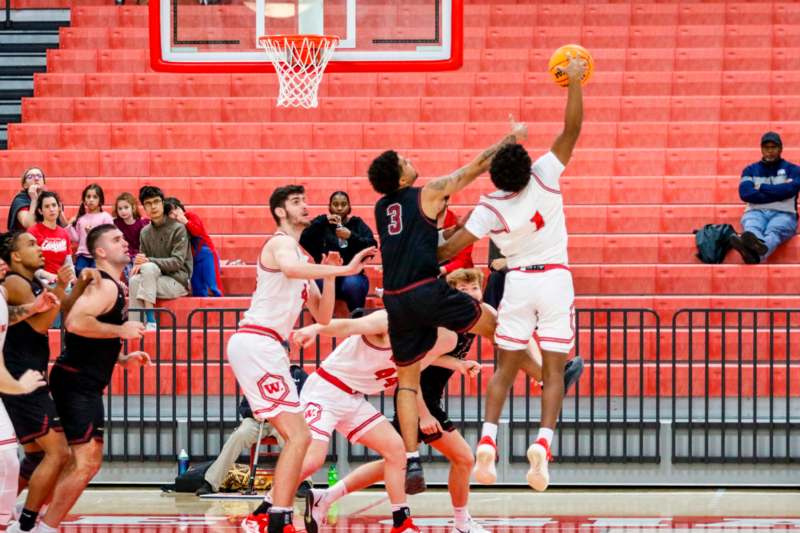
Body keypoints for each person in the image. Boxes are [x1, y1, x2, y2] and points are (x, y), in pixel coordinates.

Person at [300, 270, 583, 533]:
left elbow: (516, 337)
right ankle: (459, 521)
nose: (470, 292)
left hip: (430, 396)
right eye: (462, 288)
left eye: (474, 287)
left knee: (392, 459)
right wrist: (422, 414)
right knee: (462, 458)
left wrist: (539, 370)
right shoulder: (439, 324)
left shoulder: (482, 314)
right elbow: (408, 374)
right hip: (418, 398)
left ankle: (326, 496)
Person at [437, 54, 586, 491]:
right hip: (555, 278)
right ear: (526, 165)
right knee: (554, 371)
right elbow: (571, 131)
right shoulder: (543, 175)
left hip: (517, 281)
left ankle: (488, 438)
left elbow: (449, 248)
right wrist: (573, 83)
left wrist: (429, 225)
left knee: (505, 366)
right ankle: (543, 442)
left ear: (499, 177)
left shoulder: (490, 206)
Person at [368, 116, 527, 493]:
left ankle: (410, 460)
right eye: (404, 159)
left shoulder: (381, 210)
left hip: (395, 298)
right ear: (402, 178)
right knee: (495, 323)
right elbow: (475, 167)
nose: (409, 160)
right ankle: (543, 374)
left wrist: (456, 230)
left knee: (406, 382)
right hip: (424, 288)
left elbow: (422, 242)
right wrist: (511, 138)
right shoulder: (427, 191)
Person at [228, 185, 375, 533]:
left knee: (301, 437)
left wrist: (329, 276)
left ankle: (269, 514)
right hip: (256, 342)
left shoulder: (302, 259)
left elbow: (322, 317)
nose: (305, 206)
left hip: (268, 348)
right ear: (280, 212)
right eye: (296, 202)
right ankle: (276, 516)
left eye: (304, 200)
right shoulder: (280, 243)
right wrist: (344, 270)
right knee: (298, 437)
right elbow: (292, 271)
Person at [290, 310, 467, 533]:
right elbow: (348, 326)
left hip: (353, 397)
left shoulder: (427, 342)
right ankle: (267, 509)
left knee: (396, 450)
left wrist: (458, 364)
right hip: (326, 390)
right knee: (313, 459)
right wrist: (316, 328)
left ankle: (401, 523)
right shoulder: (390, 321)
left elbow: (420, 366)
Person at [38, 224, 150, 532]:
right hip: (77, 383)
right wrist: (120, 331)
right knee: (87, 462)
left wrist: (122, 357)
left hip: (78, 380)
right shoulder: (105, 285)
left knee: (71, 460)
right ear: (99, 251)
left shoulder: (110, 283)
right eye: (116, 240)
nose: (124, 243)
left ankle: (30, 513)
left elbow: (90, 336)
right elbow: (75, 323)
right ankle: (42, 525)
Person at [0, 231, 78, 533]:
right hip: (21, 378)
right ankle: (28, 523)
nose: (40, 248)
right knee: (58, 452)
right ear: (15, 256)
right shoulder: (16, 283)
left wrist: (77, 284)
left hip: (27, 375)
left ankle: (10, 511)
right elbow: (41, 325)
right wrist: (60, 285)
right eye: (31, 244)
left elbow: (60, 307)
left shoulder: (30, 282)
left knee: (35, 456)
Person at [0, 257, 59, 528]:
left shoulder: (3, 298)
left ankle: (8, 518)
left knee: (15, 459)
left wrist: (35, 306)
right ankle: (17, 520)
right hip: (15, 381)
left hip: (10, 382)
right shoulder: (10, 286)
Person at [729, 131, 800, 264]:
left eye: (774, 147)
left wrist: (762, 187)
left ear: (780, 149)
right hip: (755, 212)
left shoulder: (794, 170)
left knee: (774, 231)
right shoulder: (750, 170)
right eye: (766, 148)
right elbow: (745, 194)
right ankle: (754, 253)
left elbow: (790, 190)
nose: (770, 151)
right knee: (752, 228)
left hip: (784, 213)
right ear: (761, 149)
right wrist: (779, 191)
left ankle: (751, 253)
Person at [300, 191, 377, 312]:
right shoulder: (322, 225)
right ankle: (320, 326)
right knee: (318, 282)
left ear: (349, 207)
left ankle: (356, 322)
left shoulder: (357, 224)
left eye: (343, 204)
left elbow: (372, 246)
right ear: (329, 207)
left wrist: (351, 236)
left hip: (352, 275)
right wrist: (323, 219)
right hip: (325, 274)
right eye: (335, 204)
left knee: (352, 284)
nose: (340, 208)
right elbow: (303, 238)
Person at [128, 186, 193, 330]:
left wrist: (148, 261)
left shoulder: (178, 228)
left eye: (156, 202)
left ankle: (151, 320)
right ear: (144, 207)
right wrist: (138, 263)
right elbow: (143, 260)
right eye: (148, 204)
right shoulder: (144, 232)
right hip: (153, 278)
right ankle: (135, 326)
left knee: (148, 267)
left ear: (163, 203)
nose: (153, 206)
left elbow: (177, 263)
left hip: (177, 281)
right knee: (133, 281)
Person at [163, 197, 223, 297]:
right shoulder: (173, 228)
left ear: (181, 208)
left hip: (207, 255)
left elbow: (198, 232)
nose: (175, 214)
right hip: (192, 260)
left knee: (213, 287)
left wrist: (185, 221)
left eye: (176, 209)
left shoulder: (190, 216)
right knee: (198, 290)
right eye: (170, 213)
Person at [67, 183, 114, 277]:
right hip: (83, 255)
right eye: (88, 197)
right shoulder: (81, 218)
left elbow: (110, 237)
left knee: (95, 277)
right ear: (84, 200)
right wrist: (70, 226)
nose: (91, 200)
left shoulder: (105, 217)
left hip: (99, 255)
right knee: (81, 275)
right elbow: (76, 239)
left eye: (95, 197)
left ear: (100, 200)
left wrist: (93, 233)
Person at [28, 192, 72, 286]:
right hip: (40, 281)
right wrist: (49, 276)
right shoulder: (32, 232)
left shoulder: (64, 233)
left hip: (62, 282)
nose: (52, 209)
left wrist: (72, 278)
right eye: (47, 206)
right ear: (40, 211)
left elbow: (68, 263)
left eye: (54, 205)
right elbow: (29, 264)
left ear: (59, 208)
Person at [112, 192, 149, 281]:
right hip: (125, 255)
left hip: (139, 255)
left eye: (126, 207)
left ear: (133, 207)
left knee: (140, 270)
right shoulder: (116, 223)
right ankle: (131, 285)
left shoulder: (142, 223)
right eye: (120, 209)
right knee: (128, 270)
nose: (123, 211)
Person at [7, 167, 55, 232]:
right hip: (26, 239)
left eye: (39, 176)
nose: (36, 179)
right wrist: (34, 200)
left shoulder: (50, 198)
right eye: (30, 176)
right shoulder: (20, 200)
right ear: (25, 185)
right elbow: (29, 225)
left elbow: (63, 226)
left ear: (44, 182)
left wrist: (60, 212)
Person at [438, 198, 474, 276]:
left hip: (455, 276)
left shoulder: (458, 223)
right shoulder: (418, 223)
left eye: (437, 199)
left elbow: (462, 261)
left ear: (447, 201)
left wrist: (440, 270)